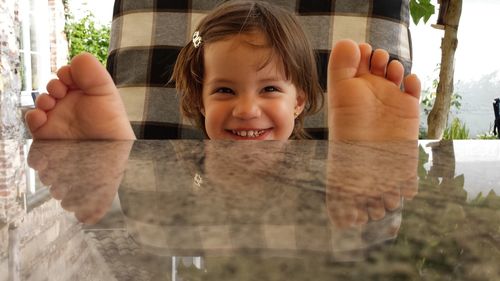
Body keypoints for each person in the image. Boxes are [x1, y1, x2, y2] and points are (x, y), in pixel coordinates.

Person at [25, 0, 420, 141]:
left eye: (269, 90)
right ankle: (118, 156)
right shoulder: (191, 168)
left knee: (339, 190)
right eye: (225, 91)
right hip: (194, 198)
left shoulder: (314, 166)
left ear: (299, 100)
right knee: (155, 179)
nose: (247, 110)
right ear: (198, 98)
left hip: (316, 203)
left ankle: (364, 158)